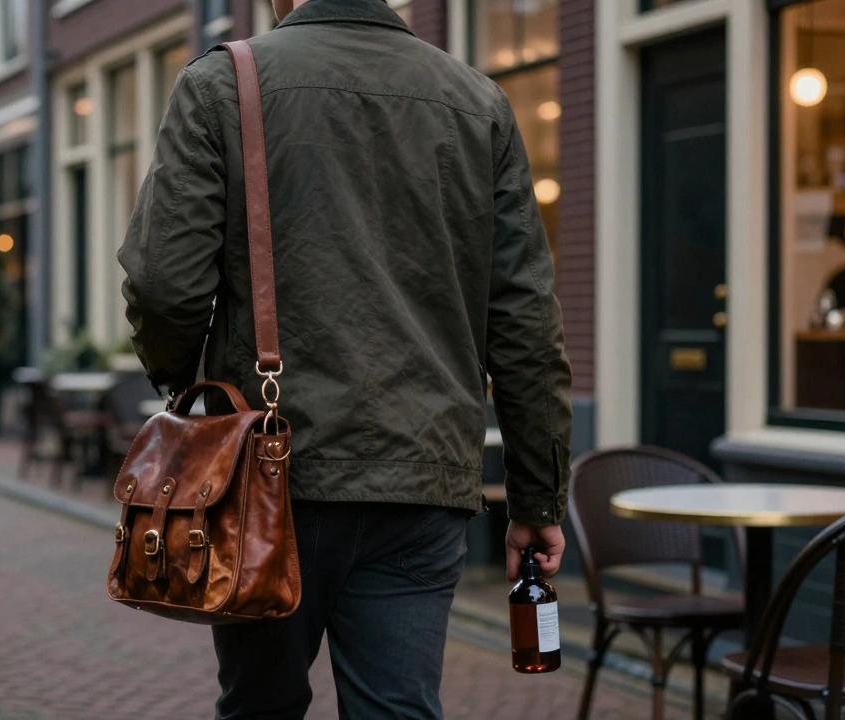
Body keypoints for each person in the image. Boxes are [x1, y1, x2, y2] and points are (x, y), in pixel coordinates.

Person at [117, 0, 573, 717]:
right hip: (422, 475)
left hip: (268, 476)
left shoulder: (222, 84)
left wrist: (184, 394)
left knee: (260, 706)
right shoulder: (478, 101)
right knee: (398, 708)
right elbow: (525, 324)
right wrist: (537, 499)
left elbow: (163, 285)